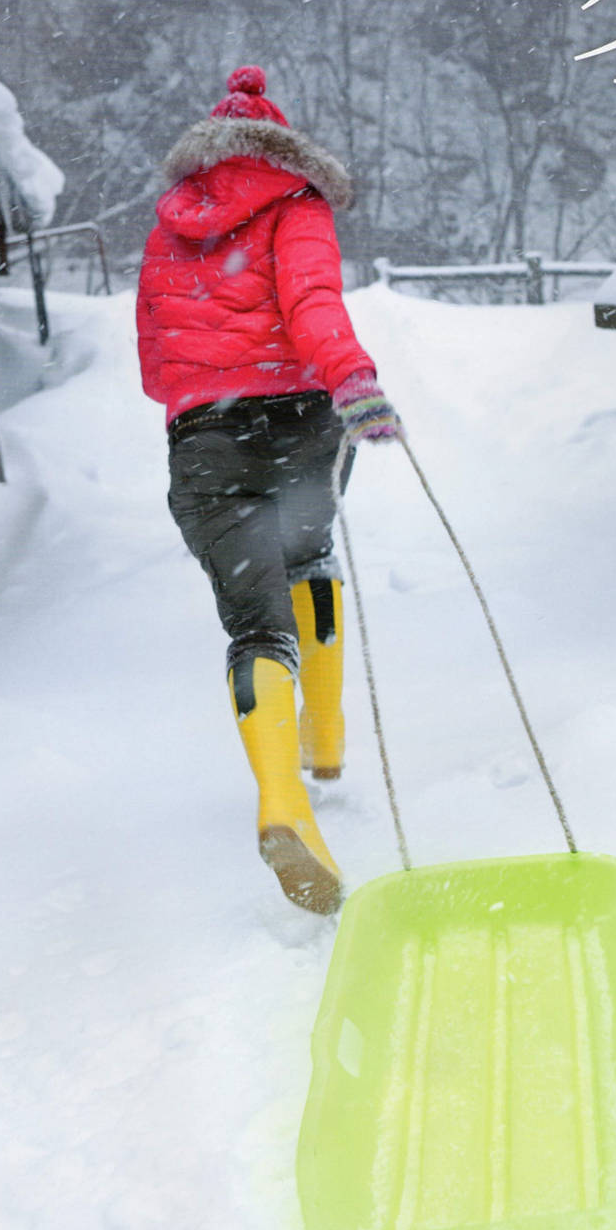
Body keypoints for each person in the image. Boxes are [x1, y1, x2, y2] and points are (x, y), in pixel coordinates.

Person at [137, 66, 402, 915]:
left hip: (202, 437)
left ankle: (285, 802)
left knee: (254, 625)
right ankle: (329, 737)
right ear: (281, 143)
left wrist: (210, 393)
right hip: (300, 425)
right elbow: (313, 300)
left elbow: (153, 358)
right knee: (311, 553)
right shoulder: (297, 203)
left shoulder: (169, 226)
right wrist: (351, 381)